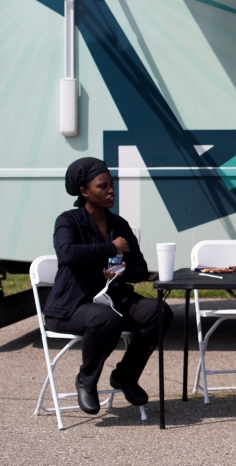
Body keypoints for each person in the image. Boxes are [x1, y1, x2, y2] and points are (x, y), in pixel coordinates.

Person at [45, 157, 173, 414]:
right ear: (84, 192)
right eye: (102, 186)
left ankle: (125, 375)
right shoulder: (69, 221)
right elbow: (67, 254)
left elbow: (141, 269)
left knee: (159, 311)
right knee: (105, 319)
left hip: (113, 298)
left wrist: (121, 273)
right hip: (72, 306)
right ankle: (86, 380)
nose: (110, 190)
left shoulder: (119, 224)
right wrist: (110, 247)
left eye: (111, 184)